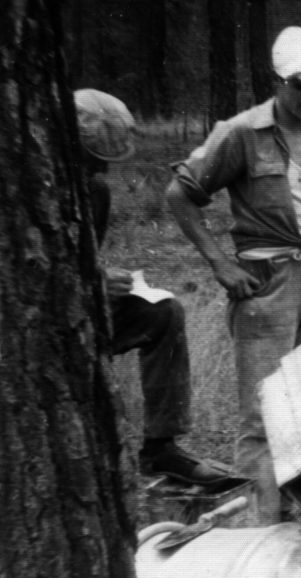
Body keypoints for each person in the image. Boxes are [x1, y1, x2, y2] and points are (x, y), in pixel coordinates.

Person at [166, 27, 301, 521]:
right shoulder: (242, 132)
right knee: (263, 409)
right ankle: (260, 528)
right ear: (277, 82)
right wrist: (220, 262)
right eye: (300, 86)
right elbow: (181, 195)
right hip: (265, 285)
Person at [75, 88, 227, 486]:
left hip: (75, 311)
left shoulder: (94, 192)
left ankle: (161, 448)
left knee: (164, 312)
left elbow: (79, 260)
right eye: (91, 160)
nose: (101, 171)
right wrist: (91, 282)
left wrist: (101, 279)